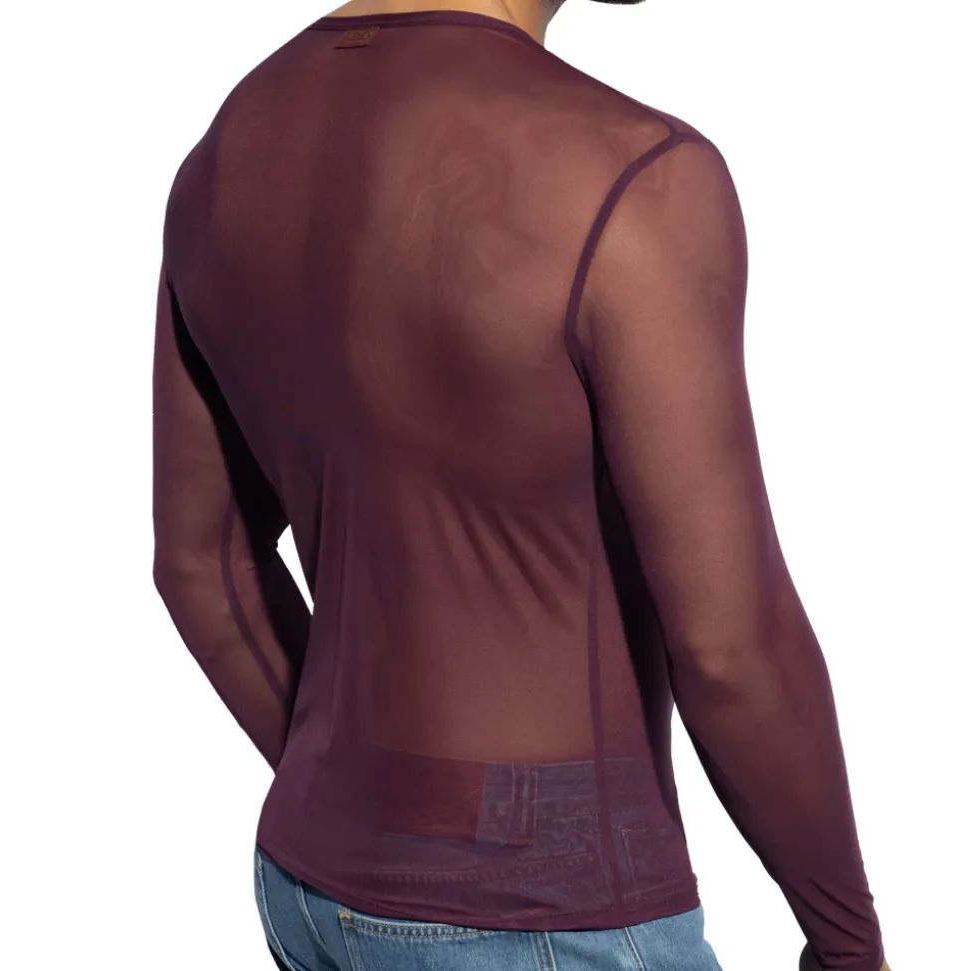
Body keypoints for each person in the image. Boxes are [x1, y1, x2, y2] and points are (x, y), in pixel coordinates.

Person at [150, 1, 893, 969]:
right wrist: (848, 942)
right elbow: (730, 650)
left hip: (309, 891)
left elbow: (201, 564)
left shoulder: (227, 148)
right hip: (547, 918)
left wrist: (357, 803)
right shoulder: (633, 173)